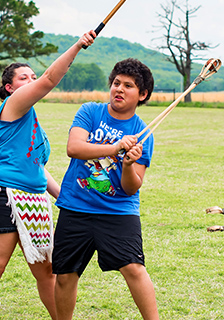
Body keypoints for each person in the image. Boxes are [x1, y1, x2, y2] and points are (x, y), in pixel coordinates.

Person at [0, 30, 96, 320]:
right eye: (24, 78)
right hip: (1, 195)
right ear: (9, 87)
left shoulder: (30, 117)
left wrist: (65, 196)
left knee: (47, 272)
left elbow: (36, 166)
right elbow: (50, 79)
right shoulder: (12, 106)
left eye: (32, 75)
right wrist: (77, 46)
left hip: (34, 201)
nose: (31, 80)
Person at [52, 58, 159, 320]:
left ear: (142, 94)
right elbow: (74, 148)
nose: (119, 89)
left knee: (134, 268)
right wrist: (115, 147)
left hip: (118, 211)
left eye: (128, 86)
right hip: (76, 206)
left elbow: (131, 187)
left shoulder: (143, 132)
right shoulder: (90, 112)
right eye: (116, 83)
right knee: (65, 275)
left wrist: (128, 164)